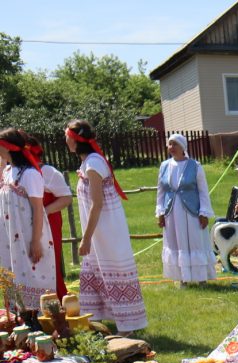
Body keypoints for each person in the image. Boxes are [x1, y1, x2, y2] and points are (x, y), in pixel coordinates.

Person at [64, 119, 147, 334]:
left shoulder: (94, 164)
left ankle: (128, 326)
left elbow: (97, 204)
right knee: (96, 271)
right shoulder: (86, 163)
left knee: (113, 270)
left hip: (107, 229)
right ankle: (100, 322)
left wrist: (86, 238)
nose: (65, 141)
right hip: (97, 229)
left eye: (67, 137)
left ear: (74, 140)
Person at [0, 128, 57, 310]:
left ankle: (41, 323)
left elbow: (38, 209)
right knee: (13, 277)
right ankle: (19, 323)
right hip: (11, 238)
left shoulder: (30, 174)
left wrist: (35, 241)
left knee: (34, 276)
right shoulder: (8, 171)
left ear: (7, 148)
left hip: (29, 235)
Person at [156, 133, 215, 286]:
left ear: (183, 147)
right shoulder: (164, 166)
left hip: (191, 211)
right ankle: (183, 278)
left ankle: (201, 278)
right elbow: (161, 191)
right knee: (176, 242)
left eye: (175, 144)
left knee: (196, 242)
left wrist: (204, 212)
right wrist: (160, 212)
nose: (171, 147)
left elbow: (203, 191)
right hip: (172, 212)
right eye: (169, 144)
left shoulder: (195, 166)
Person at [27, 136, 73, 299]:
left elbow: (66, 198)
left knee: (47, 264)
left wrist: (43, 211)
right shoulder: (18, 173)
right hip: (25, 226)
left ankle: (56, 304)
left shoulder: (48, 172)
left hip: (48, 224)